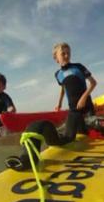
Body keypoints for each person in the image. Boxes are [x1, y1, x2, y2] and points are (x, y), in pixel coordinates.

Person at [5, 42, 97, 170]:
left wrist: (83, 97)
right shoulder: (58, 74)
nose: (66, 55)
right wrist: (59, 103)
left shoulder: (79, 67)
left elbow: (93, 83)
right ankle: (27, 159)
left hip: (86, 110)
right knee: (40, 126)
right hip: (74, 111)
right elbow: (64, 88)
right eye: (63, 53)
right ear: (56, 58)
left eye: (68, 53)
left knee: (82, 132)